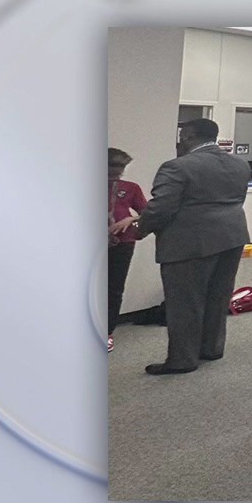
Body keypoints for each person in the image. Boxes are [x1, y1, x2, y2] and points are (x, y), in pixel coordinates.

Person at [110, 118, 250, 375]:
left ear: (187, 136)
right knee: (218, 297)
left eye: (182, 136)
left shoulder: (177, 167)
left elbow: (161, 207)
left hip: (189, 242)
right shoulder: (238, 163)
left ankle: (182, 360)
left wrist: (139, 230)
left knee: (185, 302)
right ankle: (211, 348)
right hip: (232, 237)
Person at [106, 147, 147, 353]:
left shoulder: (131, 187)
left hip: (123, 242)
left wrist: (129, 219)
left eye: (121, 167)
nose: (117, 171)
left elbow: (146, 212)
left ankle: (106, 332)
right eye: (112, 166)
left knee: (114, 288)